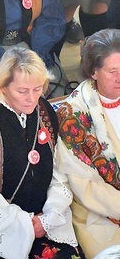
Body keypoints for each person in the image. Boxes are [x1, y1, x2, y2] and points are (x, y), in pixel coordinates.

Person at [0, 47, 81, 258]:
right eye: (22, 91)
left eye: (37, 89)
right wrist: (24, 225)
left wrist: (48, 218)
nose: (32, 99)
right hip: (2, 229)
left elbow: (60, 172)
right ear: (3, 87)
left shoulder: (45, 112)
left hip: (47, 220)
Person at [56, 29, 120, 256]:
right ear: (93, 71)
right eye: (112, 71)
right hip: (101, 214)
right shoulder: (72, 116)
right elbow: (85, 187)